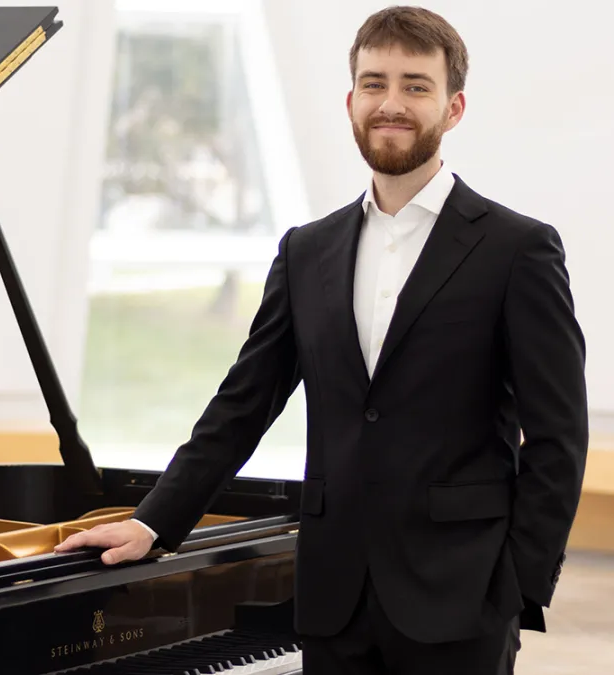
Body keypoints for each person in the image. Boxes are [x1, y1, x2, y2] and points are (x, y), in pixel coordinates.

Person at [56, 6, 589, 674]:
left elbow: (558, 437)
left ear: (452, 108)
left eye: (414, 86)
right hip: (333, 595)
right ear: (350, 100)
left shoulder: (518, 249)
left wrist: (516, 584)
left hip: (463, 597)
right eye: (374, 83)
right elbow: (241, 406)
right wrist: (152, 521)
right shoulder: (306, 251)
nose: (390, 103)